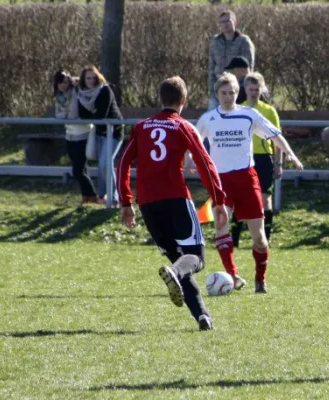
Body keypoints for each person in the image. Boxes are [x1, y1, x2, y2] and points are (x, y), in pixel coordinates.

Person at [116, 76, 228, 331]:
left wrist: (125, 201)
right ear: (183, 101)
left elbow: (123, 163)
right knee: (195, 258)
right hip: (176, 198)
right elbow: (204, 163)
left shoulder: (141, 127)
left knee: (180, 261)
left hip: (148, 204)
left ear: (159, 99)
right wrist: (218, 200)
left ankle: (203, 316)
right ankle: (176, 274)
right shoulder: (183, 126)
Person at [196, 72, 303, 294]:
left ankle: (260, 279)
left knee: (259, 238)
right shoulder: (208, 118)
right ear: (217, 94)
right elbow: (194, 141)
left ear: (238, 93)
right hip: (221, 182)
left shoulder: (249, 115)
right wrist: (188, 158)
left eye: (232, 92)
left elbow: (275, 135)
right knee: (221, 227)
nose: (228, 97)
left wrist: (290, 153)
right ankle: (233, 275)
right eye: (224, 93)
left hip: (246, 179)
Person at [231, 72, 283, 247]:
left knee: (265, 198)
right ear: (244, 90)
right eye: (250, 89)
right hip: (243, 159)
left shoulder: (269, 111)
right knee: (238, 198)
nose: (253, 92)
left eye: (256, 89)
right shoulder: (238, 109)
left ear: (262, 90)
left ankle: (265, 239)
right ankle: (234, 240)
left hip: (264, 159)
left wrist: (278, 163)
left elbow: (277, 139)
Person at [77, 65, 124, 205]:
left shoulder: (105, 90)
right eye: (88, 78)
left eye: (93, 77)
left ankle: (115, 197)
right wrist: (93, 115)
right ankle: (102, 195)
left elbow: (101, 114)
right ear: (83, 80)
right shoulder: (82, 93)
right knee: (101, 165)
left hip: (113, 131)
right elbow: (83, 115)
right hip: (98, 132)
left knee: (105, 163)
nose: (91, 80)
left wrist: (93, 115)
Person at [52, 70, 98, 204]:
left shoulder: (76, 92)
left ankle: (93, 195)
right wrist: (64, 116)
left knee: (77, 170)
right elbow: (58, 114)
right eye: (60, 82)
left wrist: (65, 116)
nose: (63, 85)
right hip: (70, 134)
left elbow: (72, 114)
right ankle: (86, 196)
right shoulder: (59, 96)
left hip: (82, 133)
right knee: (80, 168)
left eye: (66, 82)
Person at [208, 10, 255, 110]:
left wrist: (242, 89)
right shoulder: (215, 42)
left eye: (228, 21)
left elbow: (248, 68)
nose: (225, 24)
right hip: (218, 87)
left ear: (235, 22)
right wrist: (212, 88)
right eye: (222, 22)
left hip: (236, 90)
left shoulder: (244, 41)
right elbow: (211, 66)